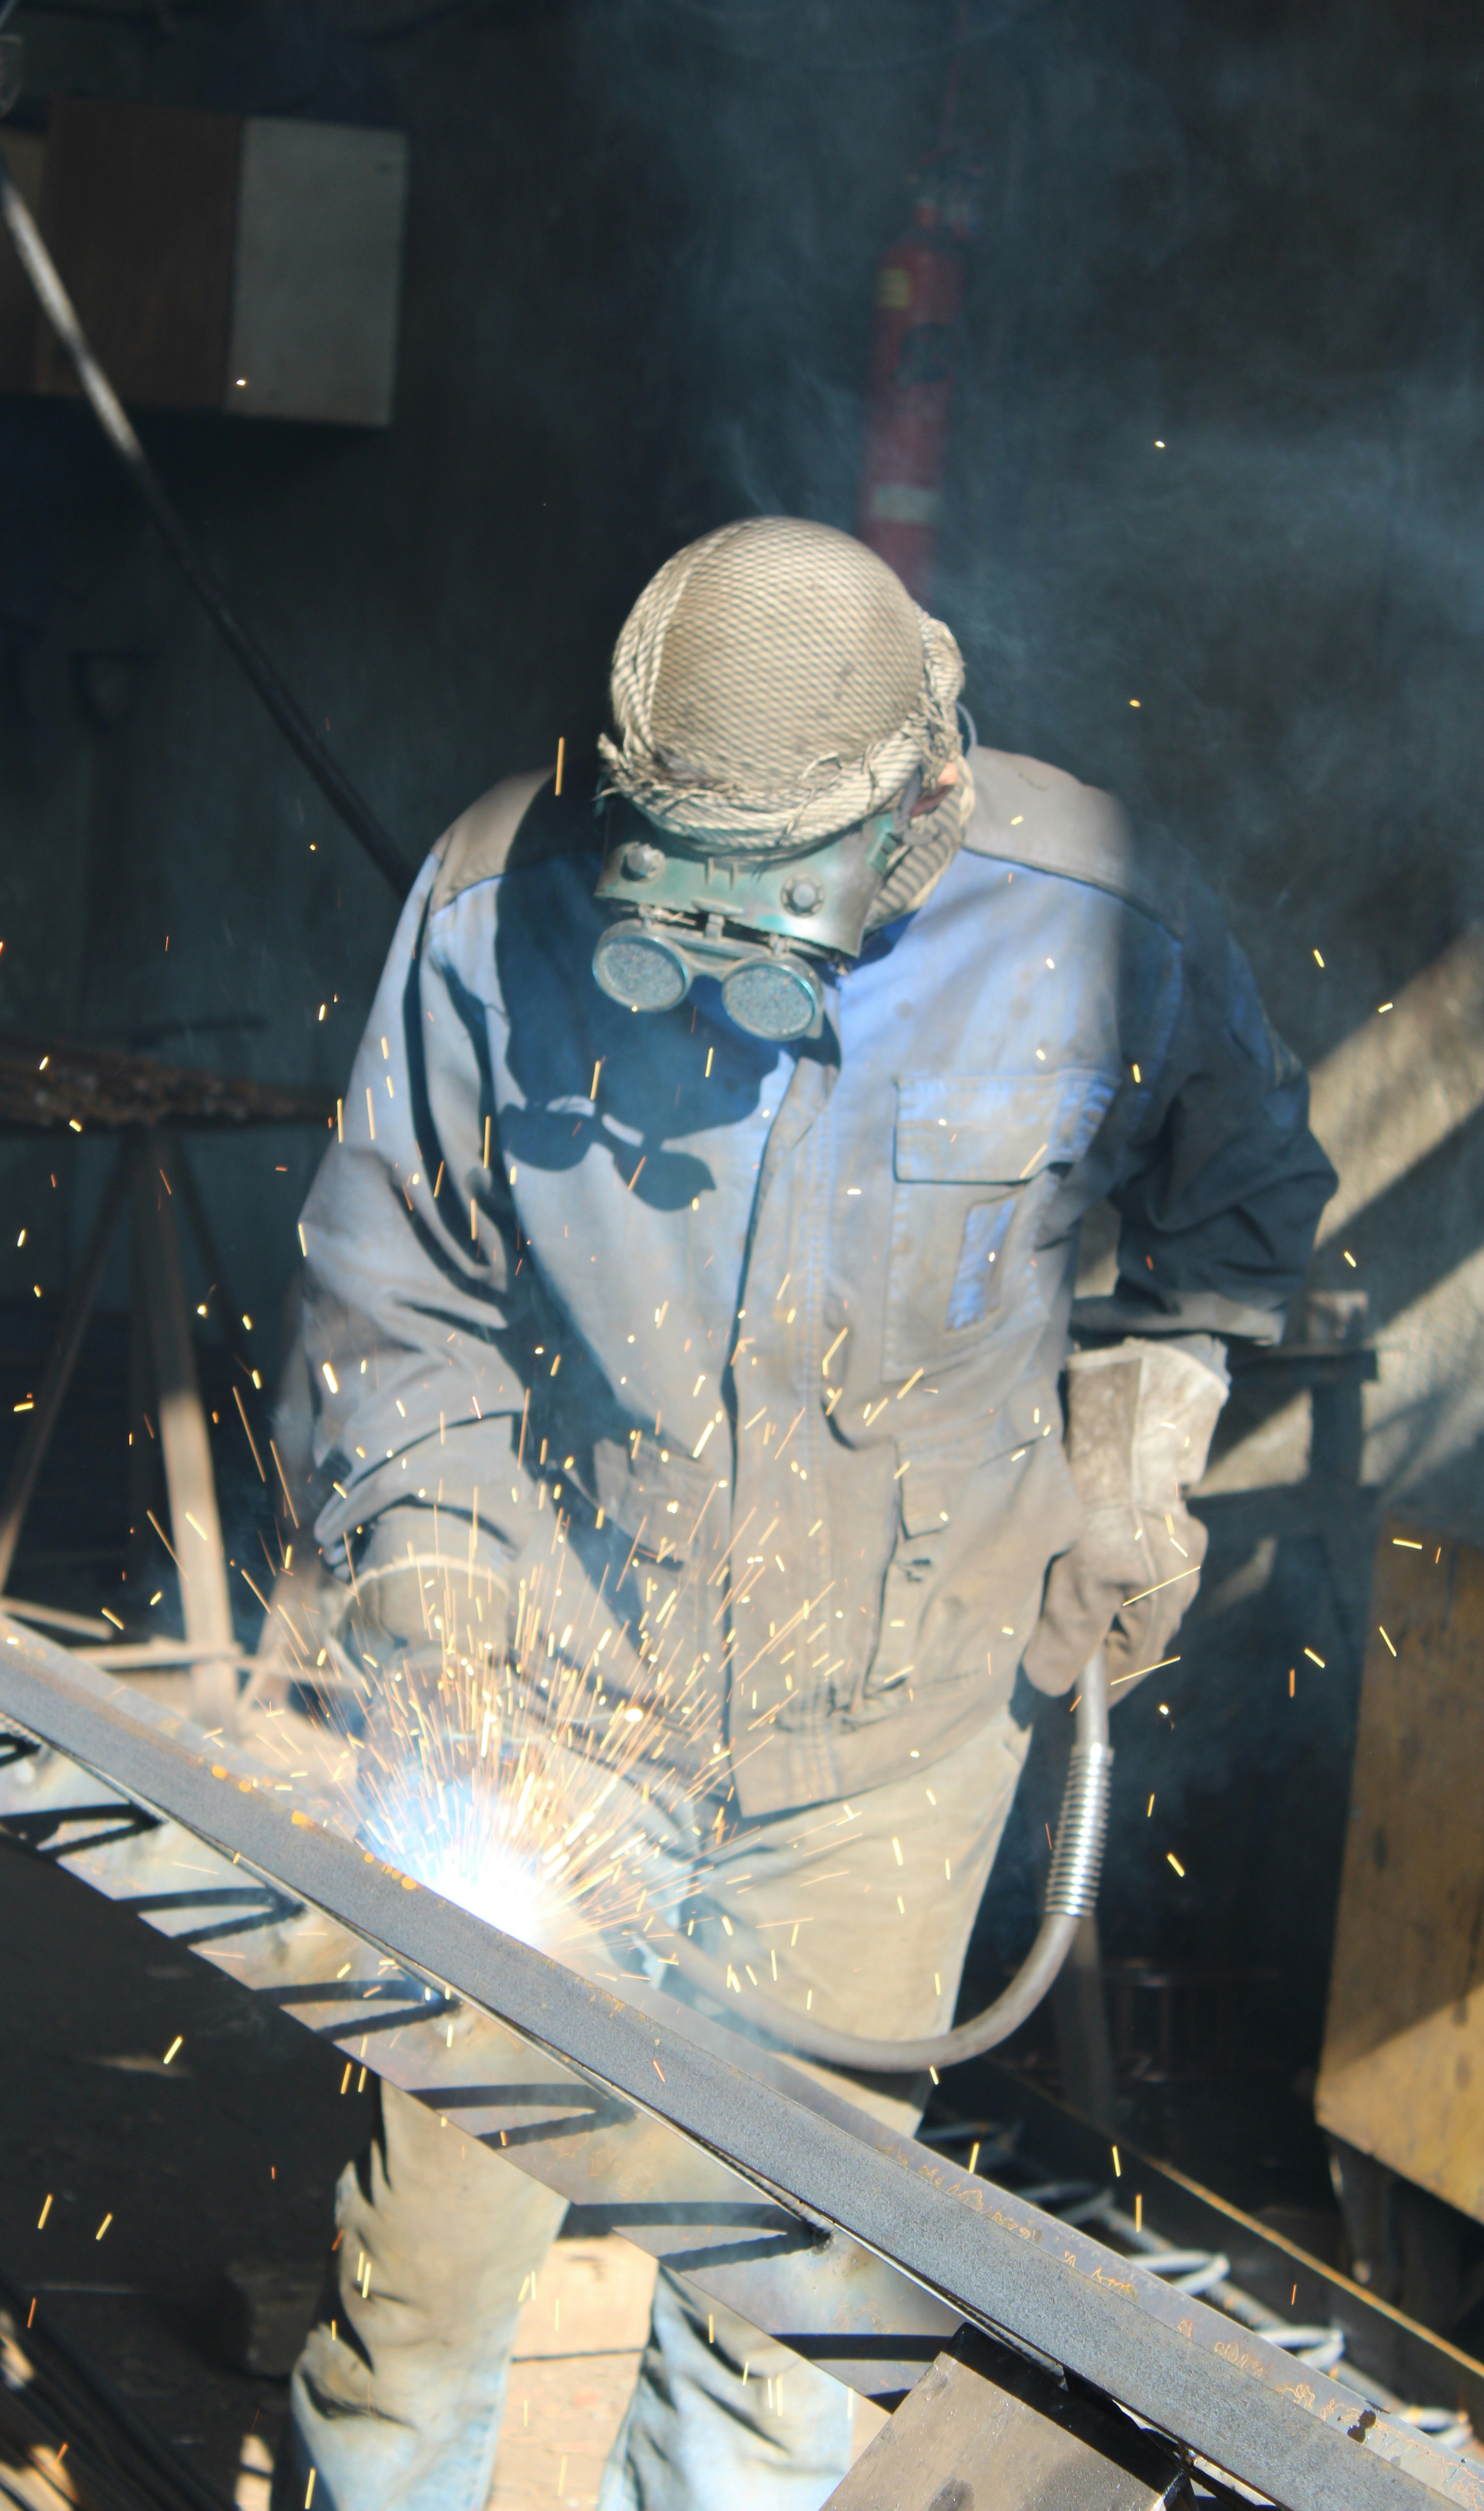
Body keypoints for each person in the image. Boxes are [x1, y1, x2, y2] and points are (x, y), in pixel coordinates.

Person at [276, 518, 1335, 2511]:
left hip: (889, 1758)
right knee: (418, 2316)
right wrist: (438, 1599)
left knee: (774, 2360)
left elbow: (1241, 1212)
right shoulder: (500, 889)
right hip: (548, 1710)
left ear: (916, 805)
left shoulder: (1099, 913)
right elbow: (386, 1286)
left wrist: (1141, 1441)